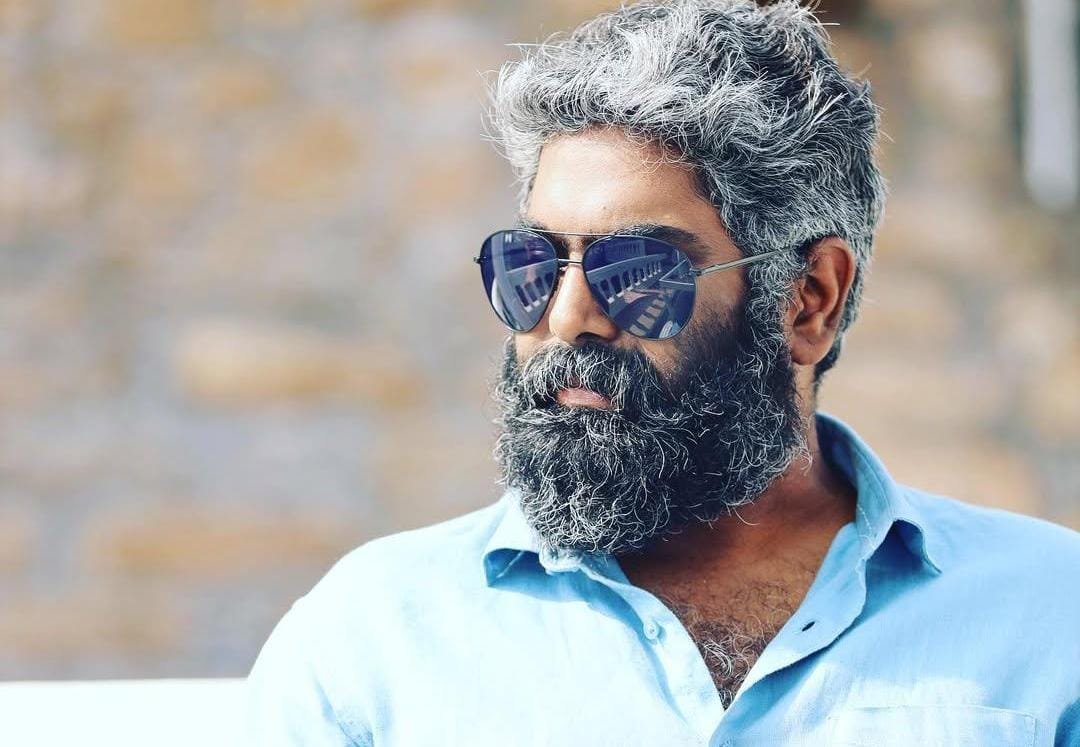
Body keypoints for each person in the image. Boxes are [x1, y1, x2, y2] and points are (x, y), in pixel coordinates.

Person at [247, 1, 1080, 744]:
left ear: (809, 300)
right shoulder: (375, 641)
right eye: (532, 264)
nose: (566, 316)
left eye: (639, 271)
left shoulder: (1050, 615)